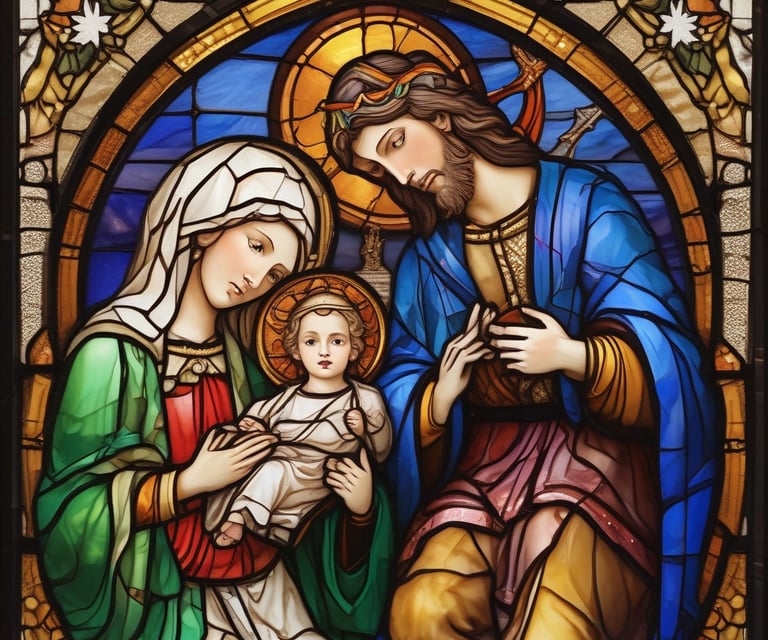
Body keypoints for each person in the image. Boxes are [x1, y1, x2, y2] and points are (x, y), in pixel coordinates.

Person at [322, 50, 721, 640]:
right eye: (380, 171)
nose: (401, 178)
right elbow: (400, 384)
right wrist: (437, 397)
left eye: (396, 143)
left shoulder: (589, 206)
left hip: (601, 463)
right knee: (421, 610)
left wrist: (575, 357)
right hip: (483, 466)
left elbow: (671, 354)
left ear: (442, 115)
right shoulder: (426, 263)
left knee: (556, 620)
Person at [34, 138, 394, 640]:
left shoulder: (250, 368)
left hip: (266, 588)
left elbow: (301, 487)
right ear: (207, 222)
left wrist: (359, 513)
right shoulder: (112, 352)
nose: (256, 279)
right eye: (257, 245)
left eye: (276, 274)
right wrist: (187, 484)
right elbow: (66, 520)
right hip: (169, 603)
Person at [206, 287, 393, 550]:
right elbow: (254, 420)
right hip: (282, 471)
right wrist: (255, 427)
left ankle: (258, 520)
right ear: (295, 350)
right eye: (311, 341)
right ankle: (239, 517)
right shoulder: (284, 398)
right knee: (274, 470)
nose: (324, 352)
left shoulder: (364, 398)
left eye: (337, 341)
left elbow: (382, 453)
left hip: (326, 480)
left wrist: (365, 431)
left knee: (275, 473)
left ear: (354, 349)